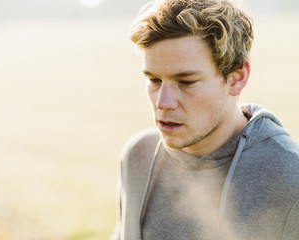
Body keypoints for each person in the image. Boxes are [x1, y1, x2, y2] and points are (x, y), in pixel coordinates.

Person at [111, 0, 299, 239]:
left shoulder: (291, 179)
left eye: (186, 82)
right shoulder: (137, 156)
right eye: (154, 80)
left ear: (236, 78)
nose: (163, 102)